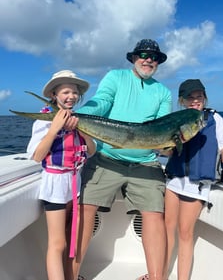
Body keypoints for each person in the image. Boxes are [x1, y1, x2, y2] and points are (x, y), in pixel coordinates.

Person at [68, 39, 172, 280]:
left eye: (154, 57)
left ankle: (157, 278)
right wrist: (79, 116)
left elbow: (161, 131)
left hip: (146, 162)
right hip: (106, 159)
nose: (149, 60)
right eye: (144, 55)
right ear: (134, 58)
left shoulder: (163, 92)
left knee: (155, 214)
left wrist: (173, 146)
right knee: (84, 210)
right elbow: (102, 101)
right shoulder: (115, 77)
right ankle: (71, 277)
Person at [164, 79, 223, 280]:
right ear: (182, 101)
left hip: (195, 185)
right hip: (173, 180)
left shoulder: (214, 118)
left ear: (204, 98)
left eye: (199, 97)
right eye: (190, 97)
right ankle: (160, 275)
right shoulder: (175, 118)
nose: (195, 101)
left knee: (184, 233)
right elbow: (167, 150)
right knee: (167, 228)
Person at [27, 70, 96, 280]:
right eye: (66, 91)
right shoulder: (45, 121)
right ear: (54, 95)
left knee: (70, 238)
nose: (71, 96)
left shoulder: (78, 120)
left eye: (75, 92)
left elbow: (91, 150)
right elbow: (37, 155)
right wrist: (54, 129)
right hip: (56, 186)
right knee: (58, 244)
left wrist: (83, 131)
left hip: (74, 184)